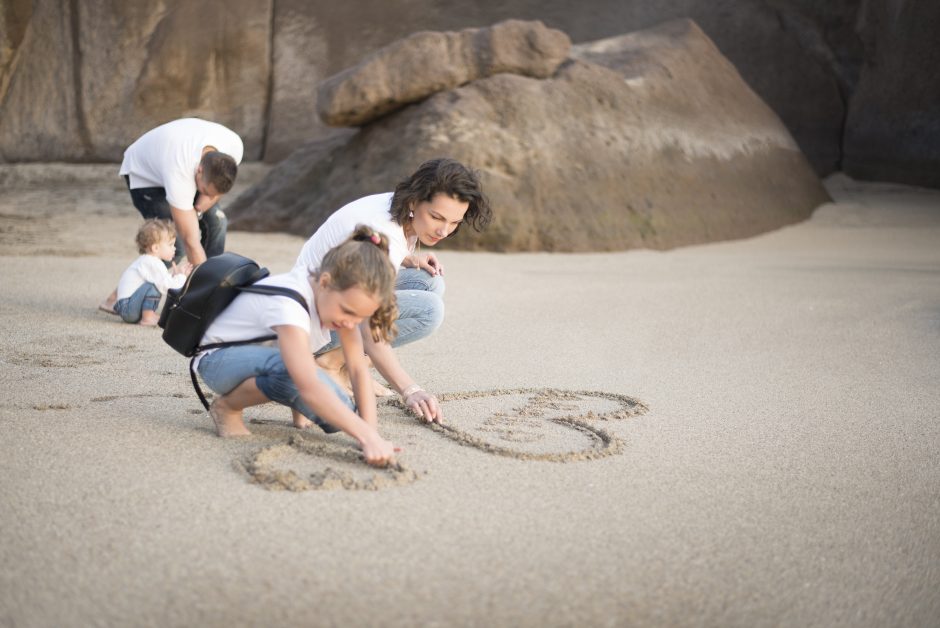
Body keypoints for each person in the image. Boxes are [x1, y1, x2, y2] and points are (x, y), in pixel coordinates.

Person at [294, 158, 492, 424]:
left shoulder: (395, 206)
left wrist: (409, 259)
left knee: (429, 282)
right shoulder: (382, 231)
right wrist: (410, 390)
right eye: (436, 217)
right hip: (312, 324)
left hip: (333, 298)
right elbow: (370, 327)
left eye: (454, 222)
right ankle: (328, 362)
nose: (444, 230)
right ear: (414, 201)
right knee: (429, 311)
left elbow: (366, 254)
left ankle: (341, 365)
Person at [195, 225, 398, 467]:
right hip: (217, 361)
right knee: (300, 376)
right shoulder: (289, 302)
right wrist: (366, 436)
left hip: (264, 358)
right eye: (348, 312)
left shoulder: (339, 299)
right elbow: (306, 382)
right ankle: (227, 407)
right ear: (325, 281)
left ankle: (297, 411)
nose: (349, 323)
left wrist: (370, 433)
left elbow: (357, 369)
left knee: (336, 418)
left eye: (359, 318)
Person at [100, 117, 243, 313]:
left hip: (176, 164)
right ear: (199, 170)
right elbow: (191, 239)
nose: (210, 197)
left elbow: (216, 190)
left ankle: (208, 290)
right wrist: (209, 295)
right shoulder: (180, 169)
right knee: (174, 245)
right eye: (204, 190)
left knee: (218, 222)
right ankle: (117, 299)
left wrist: (200, 207)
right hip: (145, 176)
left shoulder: (233, 148)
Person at [113, 219, 192, 326]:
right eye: (170, 245)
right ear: (155, 248)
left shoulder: (148, 261)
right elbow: (166, 285)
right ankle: (147, 317)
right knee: (154, 285)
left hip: (127, 306)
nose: (174, 248)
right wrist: (182, 277)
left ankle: (148, 315)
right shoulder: (152, 262)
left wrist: (174, 276)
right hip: (127, 308)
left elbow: (164, 280)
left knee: (156, 283)